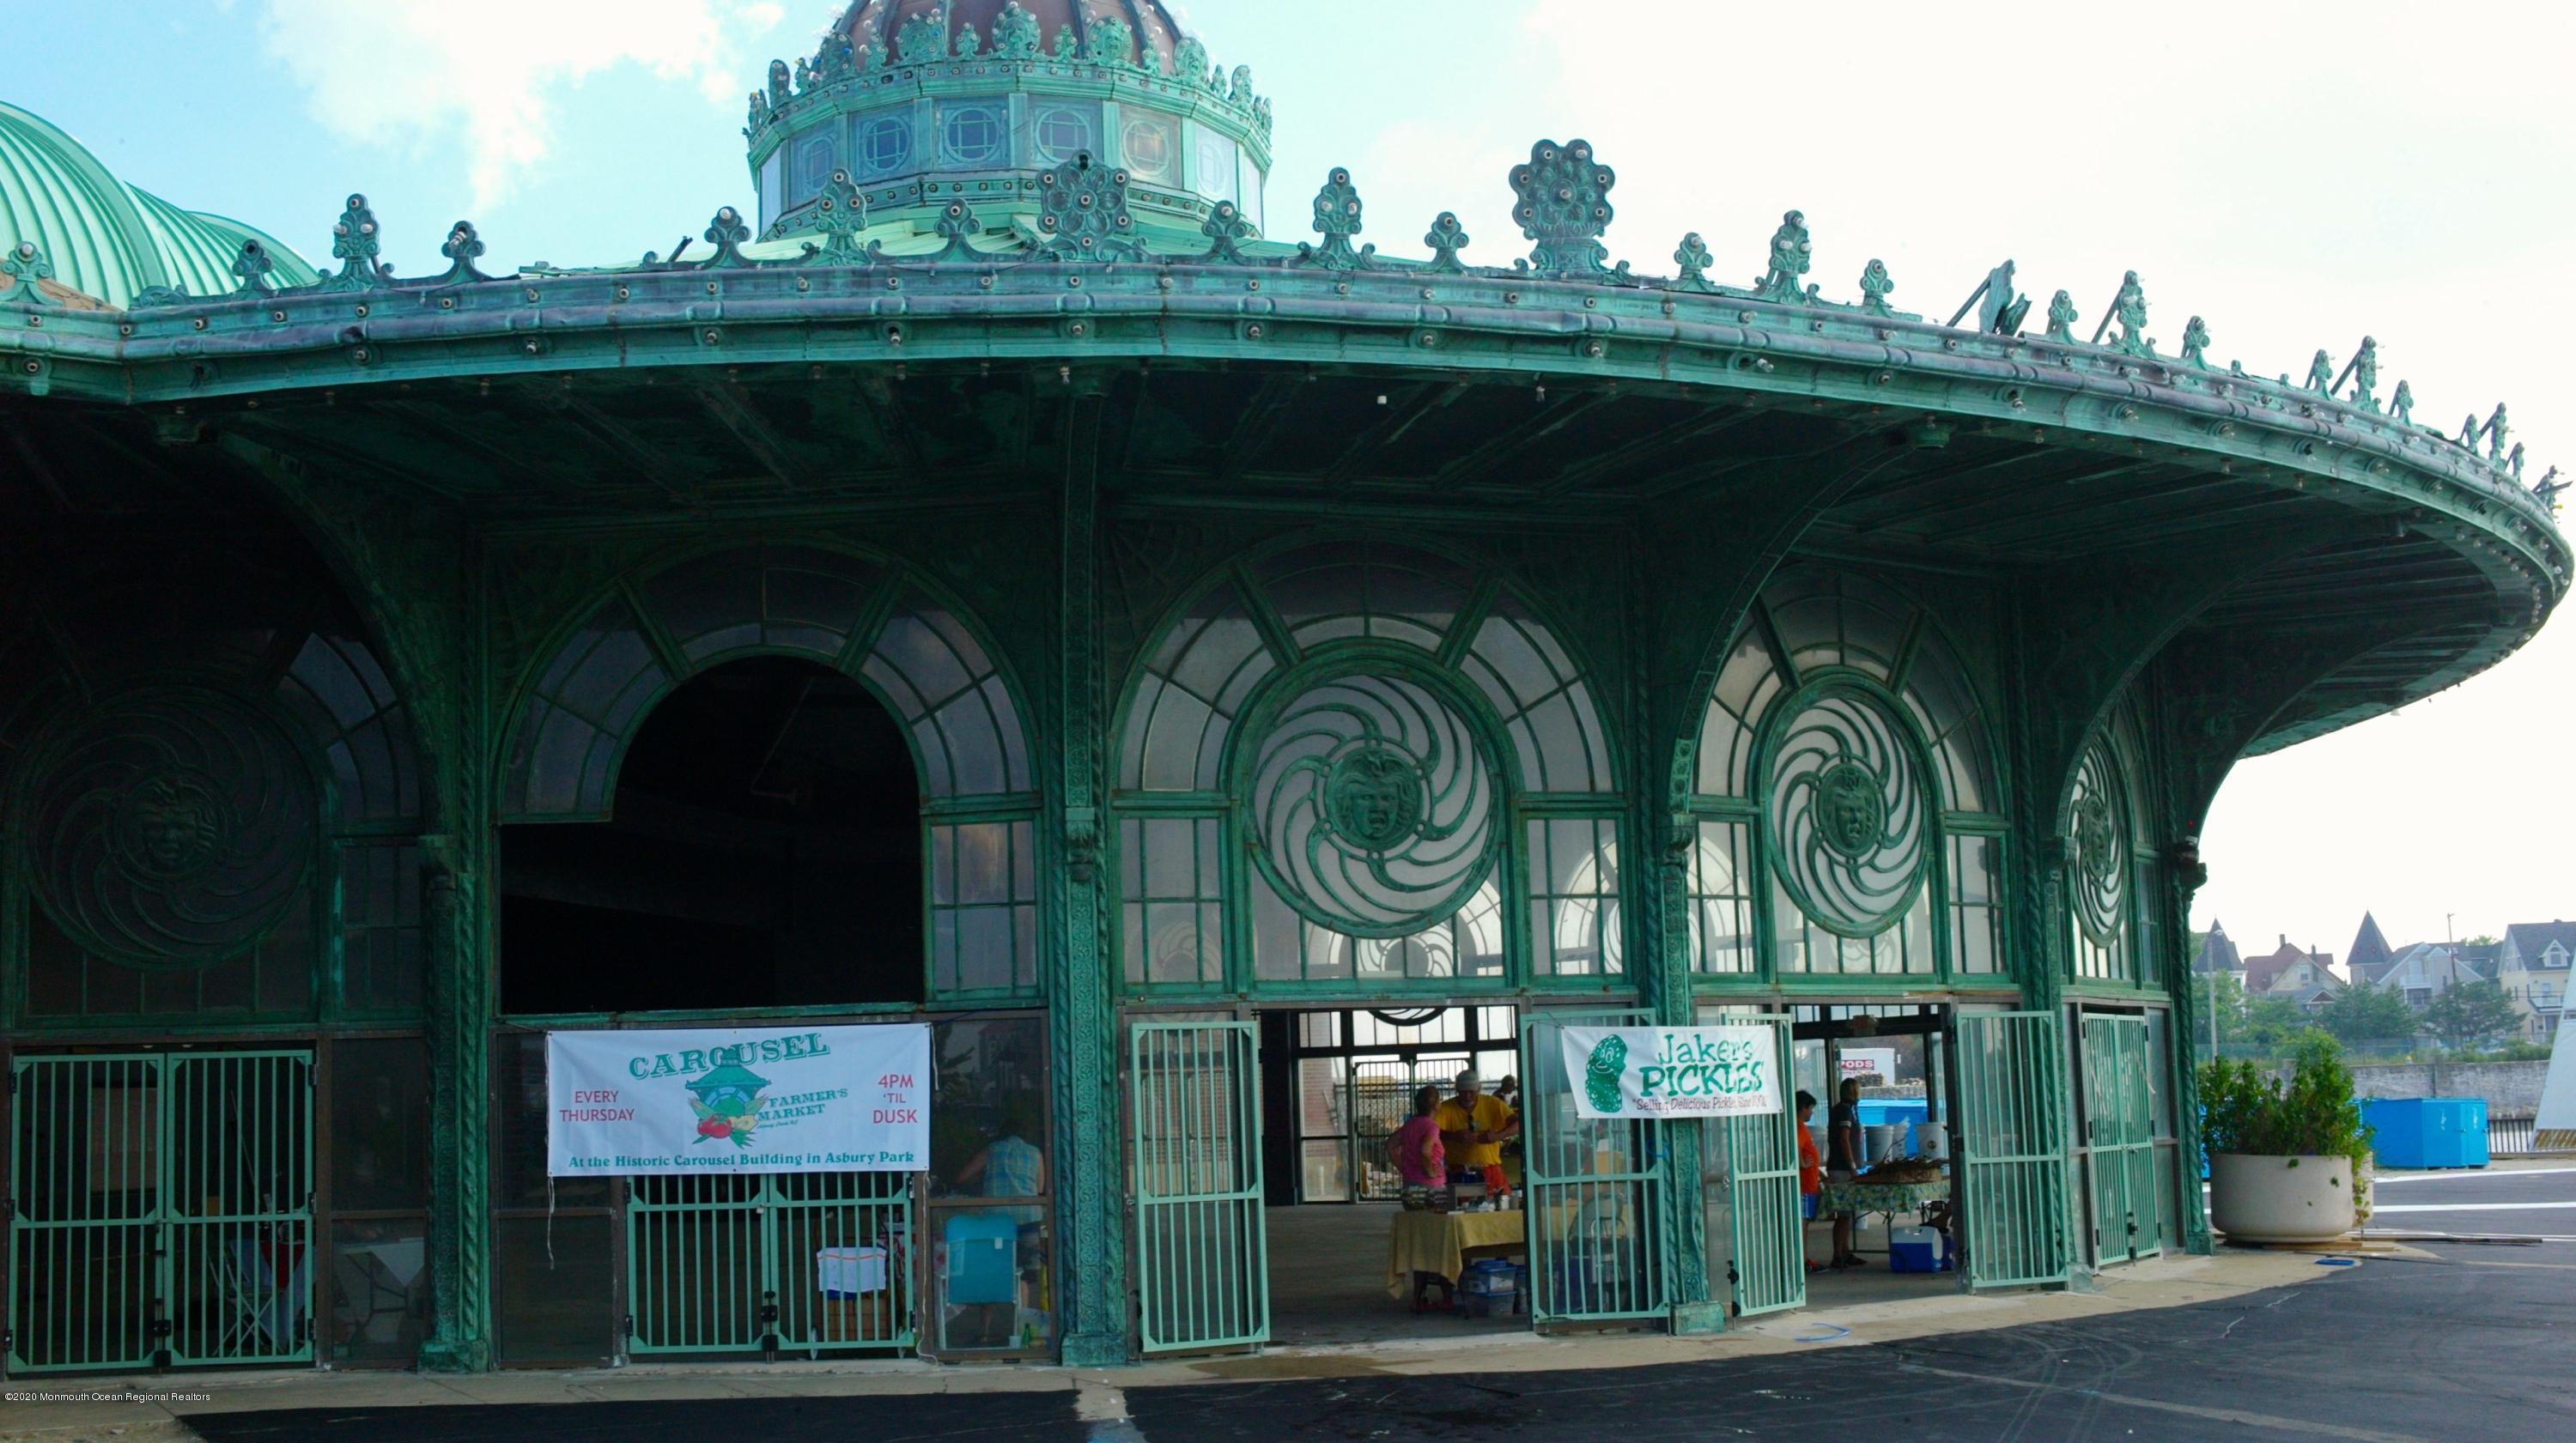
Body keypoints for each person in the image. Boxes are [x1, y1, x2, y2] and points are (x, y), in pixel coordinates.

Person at [1434, 1070, 1518, 1199]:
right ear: (1457, 1089)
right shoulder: (1445, 1108)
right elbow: (1430, 1132)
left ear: (1478, 1089)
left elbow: (1518, 1124)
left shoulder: (1493, 1104)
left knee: (1501, 1206)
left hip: (1490, 1169)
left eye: (1471, 1092)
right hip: (1459, 1171)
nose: (1467, 1096)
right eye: (1463, 1092)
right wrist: (1453, 1136)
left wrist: (1497, 1136)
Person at [1387, 1086, 1447, 1210]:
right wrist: (1430, 1172)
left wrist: (1403, 1168)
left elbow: (1390, 1144)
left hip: (1410, 1185)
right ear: (1436, 1105)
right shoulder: (1432, 1126)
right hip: (1430, 1187)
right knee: (1435, 1226)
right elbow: (1425, 1150)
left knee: (1415, 1225)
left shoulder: (1409, 1125)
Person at [1826, 1078, 1865, 1269]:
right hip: (1841, 1168)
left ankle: (1845, 1250)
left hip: (1842, 1166)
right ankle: (1837, 1254)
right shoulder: (1844, 1111)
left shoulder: (1844, 1110)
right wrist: (1852, 1165)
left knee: (1847, 1212)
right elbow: (1844, 1139)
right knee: (1843, 1213)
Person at [1795, 1090, 1826, 1272]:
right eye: (1810, 1108)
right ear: (1802, 1108)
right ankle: (1802, 1260)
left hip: (1810, 1183)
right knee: (1802, 1225)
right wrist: (1802, 1164)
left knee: (1805, 1223)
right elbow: (1796, 1146)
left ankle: (1803, 1259)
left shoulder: (1801, 1128)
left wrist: (1819, 1175)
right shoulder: (1799, 1128)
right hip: (1804, 1186)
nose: (1812, 1113)